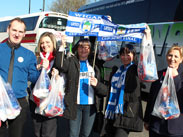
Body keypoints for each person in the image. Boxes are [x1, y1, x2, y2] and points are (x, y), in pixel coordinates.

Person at [0, 18, 48, 137]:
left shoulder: (29, 55)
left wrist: (43, 69)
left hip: (19, 102)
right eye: (14, 30)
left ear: (24, 34)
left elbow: (33, 78)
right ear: (8, 30)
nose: (17, 34)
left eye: (20, 32)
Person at [53, 38, 108, 137]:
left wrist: (97, 84)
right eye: (81, 47)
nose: (83, 49)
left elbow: (104, 90)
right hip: (75, 105)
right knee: (73, 134)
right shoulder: (71, 62)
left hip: (91, 106)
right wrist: (61, 45)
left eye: (86, 47)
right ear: (77, 48)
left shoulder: (95, 66)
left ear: (90, 50)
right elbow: (59, 64)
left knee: (86, 134)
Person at [103, 43, 144, 137]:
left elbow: (144, 62)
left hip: (126, 112)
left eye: (128, 54)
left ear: (133, 55)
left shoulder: (135, 69)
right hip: (113, 112)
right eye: (122, 54)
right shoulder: (118, 70)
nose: (125, 57)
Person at [144, 45, 183, 137]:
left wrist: (176, 78)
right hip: (156, 126)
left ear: (181, 60)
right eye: (170, 55)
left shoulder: (181, 77)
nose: (172, 58)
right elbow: (151, 98)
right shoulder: (160, 74)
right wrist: (147, 119)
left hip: (175, 129)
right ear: (166, 57)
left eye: (176, 56)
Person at [29, 32, 58, 137]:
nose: (44, 45)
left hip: (51, 101)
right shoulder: (37, 58)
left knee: (48, 132)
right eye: (42, 43)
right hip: (36, 100)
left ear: (53, 43)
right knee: (37, 132)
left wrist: (55, 74)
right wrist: (38, 68)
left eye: (47, 42)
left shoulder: (57, 60)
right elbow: (31, 76)